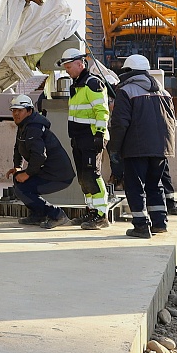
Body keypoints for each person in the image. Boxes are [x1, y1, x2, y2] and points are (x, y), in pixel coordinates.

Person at [107, 53, 175, 239]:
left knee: (135, 186)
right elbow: (171, 120)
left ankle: (141, 226)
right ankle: (160, 223)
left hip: (136, 148)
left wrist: (115, 148)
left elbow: (120, 123)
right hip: (160, 147)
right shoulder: (163, 91)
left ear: (127, 71)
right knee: (155, 184)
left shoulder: (126, 91)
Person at [59, 48, 113, 229]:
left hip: (91, 138)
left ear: (79, 64)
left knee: (92, 175)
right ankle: (91, 211)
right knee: (83, 178)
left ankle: (101, 215)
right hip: (79, 138)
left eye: (68, 67)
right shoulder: (77, 85)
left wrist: (99, 134)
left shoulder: (92, 84)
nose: (67, 70)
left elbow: (102, 111)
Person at [7, 94, 75, 228]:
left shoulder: (34, 128)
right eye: (14, 110)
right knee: (18, 181)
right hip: (47, 171)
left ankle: (57, 215)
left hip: (58, 175)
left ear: (29, 111)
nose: (16, 114)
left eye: (19, 110)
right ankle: (38, 215)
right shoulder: (24, 126)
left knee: (23, 188)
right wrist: (18, 167)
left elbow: (39, 156)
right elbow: (18, 147)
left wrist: (27, 174)